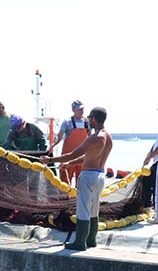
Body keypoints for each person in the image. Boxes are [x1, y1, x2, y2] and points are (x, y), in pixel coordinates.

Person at [41, 107, 112, 251]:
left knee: (83, 210)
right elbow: (87, 156)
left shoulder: (94, 137)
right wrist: (69, 164)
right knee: (94, 209)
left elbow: (73, 154)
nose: (88, 121)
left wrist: (51, 159)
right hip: (100, 176)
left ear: (94, 119)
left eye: (89, 118)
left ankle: (79, 243)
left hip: (88, 176)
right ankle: (91, 240)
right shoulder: (108, 137)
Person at [50, 100, 89, 186]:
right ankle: (64, 198)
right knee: (65, 180)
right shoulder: (67, 122)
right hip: (68, 156)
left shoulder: (87, 122)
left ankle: (78, 198)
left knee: (82, 180)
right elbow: (60, 137)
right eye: (79, 109)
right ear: (73, 110)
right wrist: (52, 146)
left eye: (82, 109)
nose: (81, 111)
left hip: (82, 157)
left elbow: (90, 138)